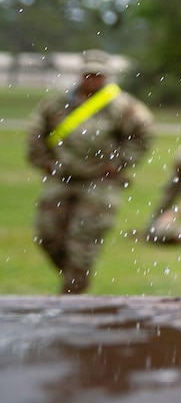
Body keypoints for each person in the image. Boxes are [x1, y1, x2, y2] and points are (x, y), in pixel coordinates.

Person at [25, 50, 154, 293]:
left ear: (106, 77)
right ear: (80, 74)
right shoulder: (58, 103)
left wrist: (118, 162)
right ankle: (74, 278)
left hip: (99, 184)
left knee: (82, 245)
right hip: (62, 178)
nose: (93, 79)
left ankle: (72, 300)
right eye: (88, 74)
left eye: (98, 75)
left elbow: (143, 134)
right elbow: (35, 130)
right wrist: (44, 161)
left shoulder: (121, 106)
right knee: (48, 236)